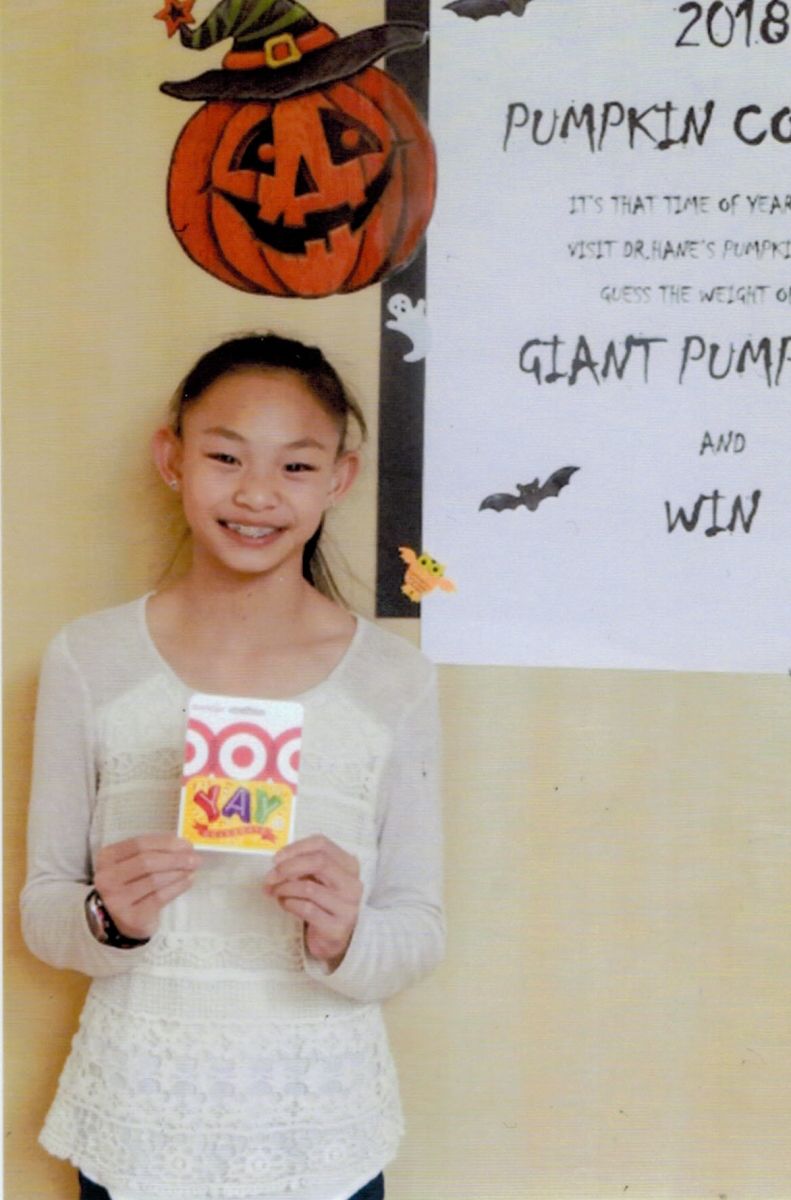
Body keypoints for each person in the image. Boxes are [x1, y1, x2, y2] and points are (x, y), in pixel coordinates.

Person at [21, 333, 445, 1200]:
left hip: (322, 1129)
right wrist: (109, 917)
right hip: (138, 1123)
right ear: (170, 460)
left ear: (340, 479)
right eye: (224, 456)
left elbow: (418, 927)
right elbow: (43, 909)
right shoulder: (88, 658)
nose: (256, 493)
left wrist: (346, 933)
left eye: (296, 466)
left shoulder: (393, 680)